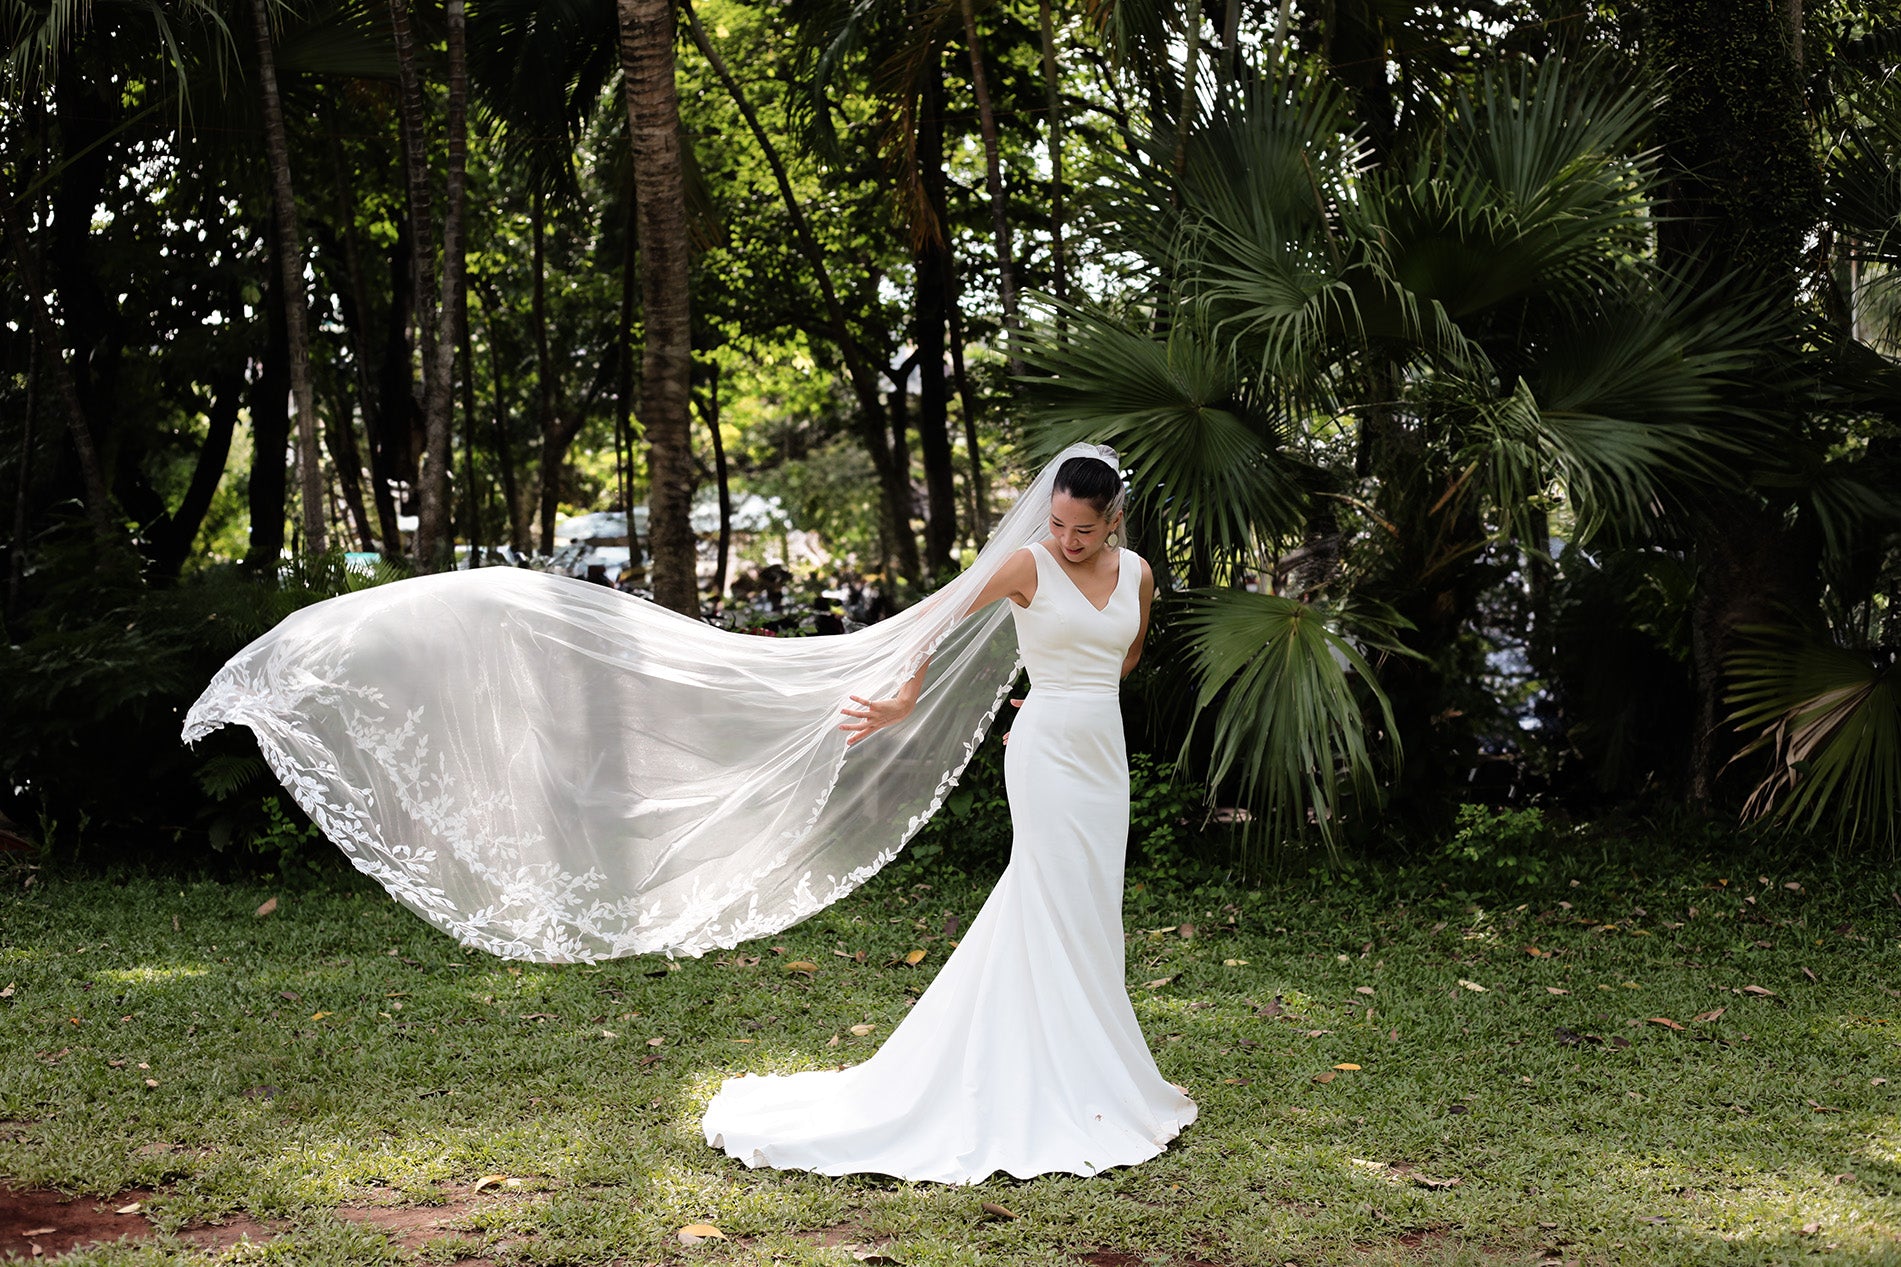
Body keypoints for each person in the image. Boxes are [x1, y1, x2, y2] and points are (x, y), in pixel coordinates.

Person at [700, 451, 1196, 1184]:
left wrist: (1070, 687)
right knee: (1048, 893)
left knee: (1090, 903)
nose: (1067, 539)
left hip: (1102, 755)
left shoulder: (1140, 572)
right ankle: (1043, 1075)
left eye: (1083, 529)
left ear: (1113, 519)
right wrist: (906, 696)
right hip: (1045, 759)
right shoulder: (1028, 563)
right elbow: (938, 614)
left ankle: (1091, 1067)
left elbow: (1126, 655)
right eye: (1057, 522)